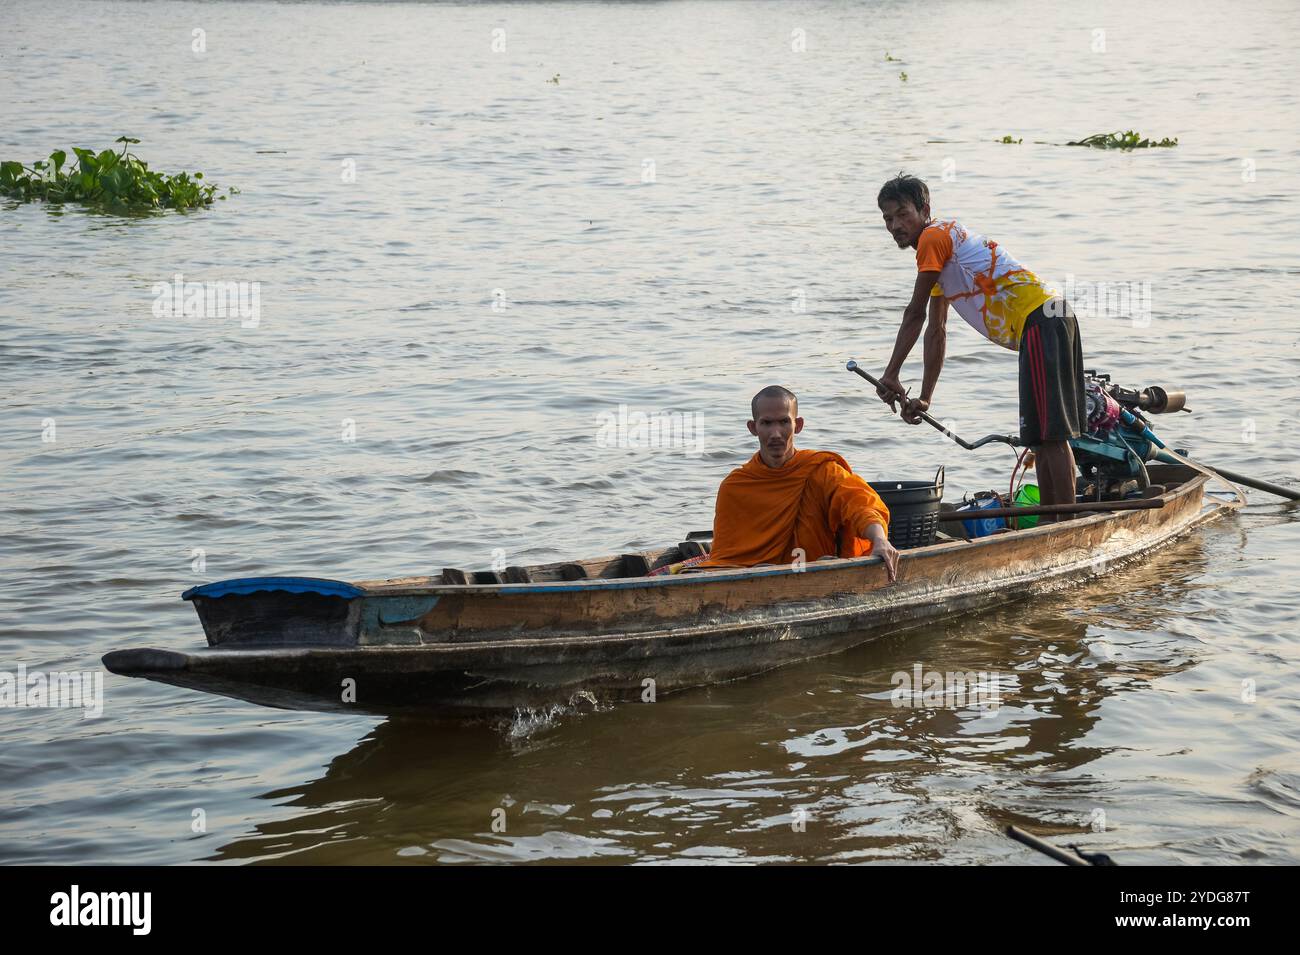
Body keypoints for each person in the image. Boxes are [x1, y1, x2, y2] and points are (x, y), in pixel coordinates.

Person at [875, 173, 1087, 518]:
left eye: (902, 214)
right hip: (1047, 319)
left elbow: (914, 313)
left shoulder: (933, 238)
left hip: (1042, 318)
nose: (895, 225)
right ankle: (1054, 520)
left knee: (1052, 434)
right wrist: (926, 396)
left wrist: (891, 373)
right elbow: (936, 330)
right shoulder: (942, 248)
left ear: (924, 209)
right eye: (888, 218)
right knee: (1040, 436)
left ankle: (1063, 525)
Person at [697, 385, 900, 582]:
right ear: (753, 427)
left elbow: (860, 505)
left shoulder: (821, 471)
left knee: (823, 563)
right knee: (759, 571)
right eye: (767, 423)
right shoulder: (735, 486)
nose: (776, 433)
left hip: (815, 569)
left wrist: (880, 539)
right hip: (753, 576)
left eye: (784, 422)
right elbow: (725, 557)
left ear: (798, 425)